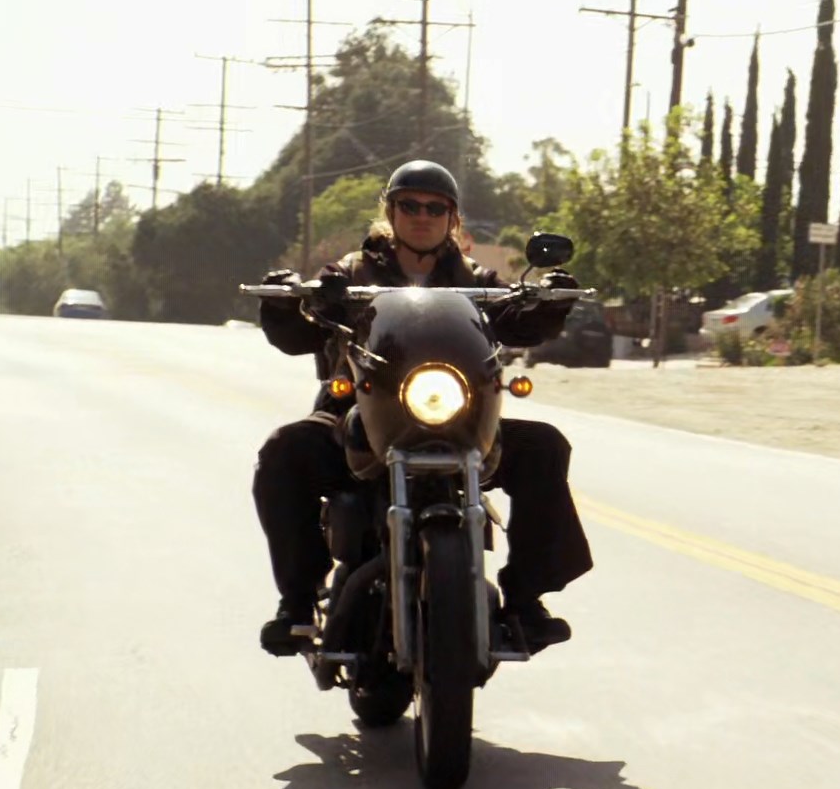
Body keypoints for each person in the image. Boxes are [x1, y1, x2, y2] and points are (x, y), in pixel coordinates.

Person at [253, 159, 593, 656]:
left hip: (454, 413)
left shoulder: (475, 278)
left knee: (545, 446)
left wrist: (550, 303)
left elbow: (516, 321)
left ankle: (525, 601)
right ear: (390, 211)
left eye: (435, 208)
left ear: (452, 218)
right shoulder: (349, 272)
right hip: (360, 413)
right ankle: (297, 604)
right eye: (409, 205)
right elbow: (298, 334)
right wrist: (289, 302)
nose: (422, 216)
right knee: (283, 451)